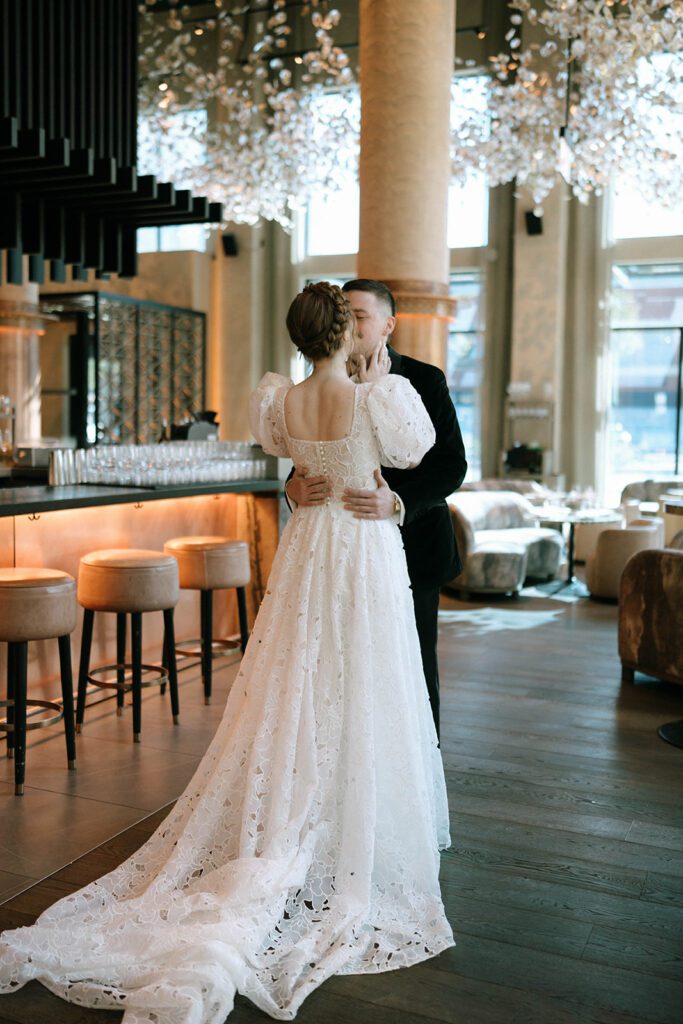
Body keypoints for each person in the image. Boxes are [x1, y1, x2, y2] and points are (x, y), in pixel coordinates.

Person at [0, 282, 454, 1024]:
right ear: (346, 332)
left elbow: (324, 455)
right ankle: (349, 819)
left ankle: (303, 805)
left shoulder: (281, 401)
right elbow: (411, 446)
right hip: (359, 550)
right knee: (364, 676)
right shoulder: (380, 398)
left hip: (310, 550)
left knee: (300, 676)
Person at [286, 279, 467, 739]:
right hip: (334, 551)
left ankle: (420, 766)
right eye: (343, 314)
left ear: (387, 324)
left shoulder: (425, 380)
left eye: (359, 315)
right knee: (335, 662)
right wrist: (294, 488)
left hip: (414, 545)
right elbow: (302, 462)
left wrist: (398, 500)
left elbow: (451, 465)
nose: (349, 323)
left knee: (411, 665)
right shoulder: (318, 383)